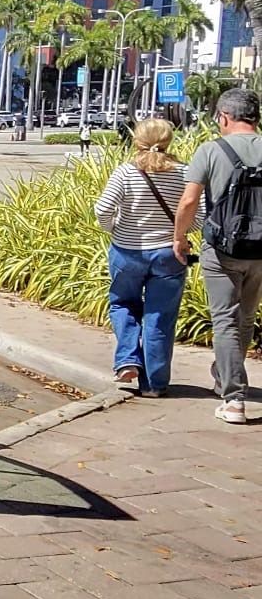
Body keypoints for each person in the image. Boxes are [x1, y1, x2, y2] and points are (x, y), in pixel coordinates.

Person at [172, 85, 262, 424]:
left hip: (222, 249)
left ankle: (234, 398)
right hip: (261, 251)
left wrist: (179, 238)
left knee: (225, 319)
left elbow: (189, 201)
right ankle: (225, 377)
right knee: (246, 318)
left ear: (224, 117)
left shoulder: (211, 150)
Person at [93, 118, 188, 396]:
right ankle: (155, 384)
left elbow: (102, 210)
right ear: (169, 140)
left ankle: (127, 360)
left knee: (122, 303)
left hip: (127, 252)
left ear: (137, 141)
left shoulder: (126, 173)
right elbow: (199, 215)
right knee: (160, 316)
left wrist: (116, 229)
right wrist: (179, 233)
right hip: (168, 254)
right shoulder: (184, 173)